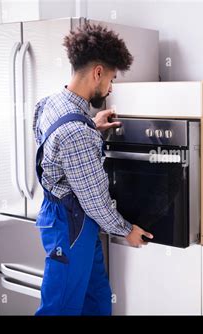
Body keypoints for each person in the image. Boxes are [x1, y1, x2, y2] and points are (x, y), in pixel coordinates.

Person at [33, 23, 153, 316]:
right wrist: (127, 231)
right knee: (60, 309)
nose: (110, 88)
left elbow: (56, 150)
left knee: (98, 299)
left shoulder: (50, 103)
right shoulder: (77, 131)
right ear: (97, 72)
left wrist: (93, 126)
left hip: (70, 220)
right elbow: (95, 201)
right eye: (111, 78)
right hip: (70, 225)